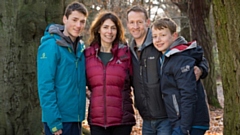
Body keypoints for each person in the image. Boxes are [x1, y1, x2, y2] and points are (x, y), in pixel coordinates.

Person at [126, 5, 209, 135]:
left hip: (168, 117)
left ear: (147, 22)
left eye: (139, 22)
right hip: (147, 118)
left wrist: (201, 69)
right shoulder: (129, 50)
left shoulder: (164, 46)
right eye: (132, 22)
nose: (135, 26)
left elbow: (193, 55)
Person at [151, 17, 210, 135]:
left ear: (174, 36)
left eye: (162, 35)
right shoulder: (167, 57)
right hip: (180, 120)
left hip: (190, 122)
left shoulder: (180, 58)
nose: (158, 39)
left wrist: (184, 129)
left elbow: (188, 94)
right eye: (154, 36)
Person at [37, 1, 88, 135]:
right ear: (65, 19)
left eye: (82, 21)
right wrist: (53, 122)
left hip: (76, 119)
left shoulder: (80, 49)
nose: (78, 25)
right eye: (75, 20)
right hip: (59, 121)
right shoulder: (51, 46)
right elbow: (45, 86)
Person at [84, 11, 135, 135]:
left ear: (117, 31)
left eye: (113, 28)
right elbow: (81, 81)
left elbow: (137, 82)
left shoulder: (126, 54)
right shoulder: (87, 55)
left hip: (122, 121)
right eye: (105, 27)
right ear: (98, 30)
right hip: (97, 121)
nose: (109, 32)